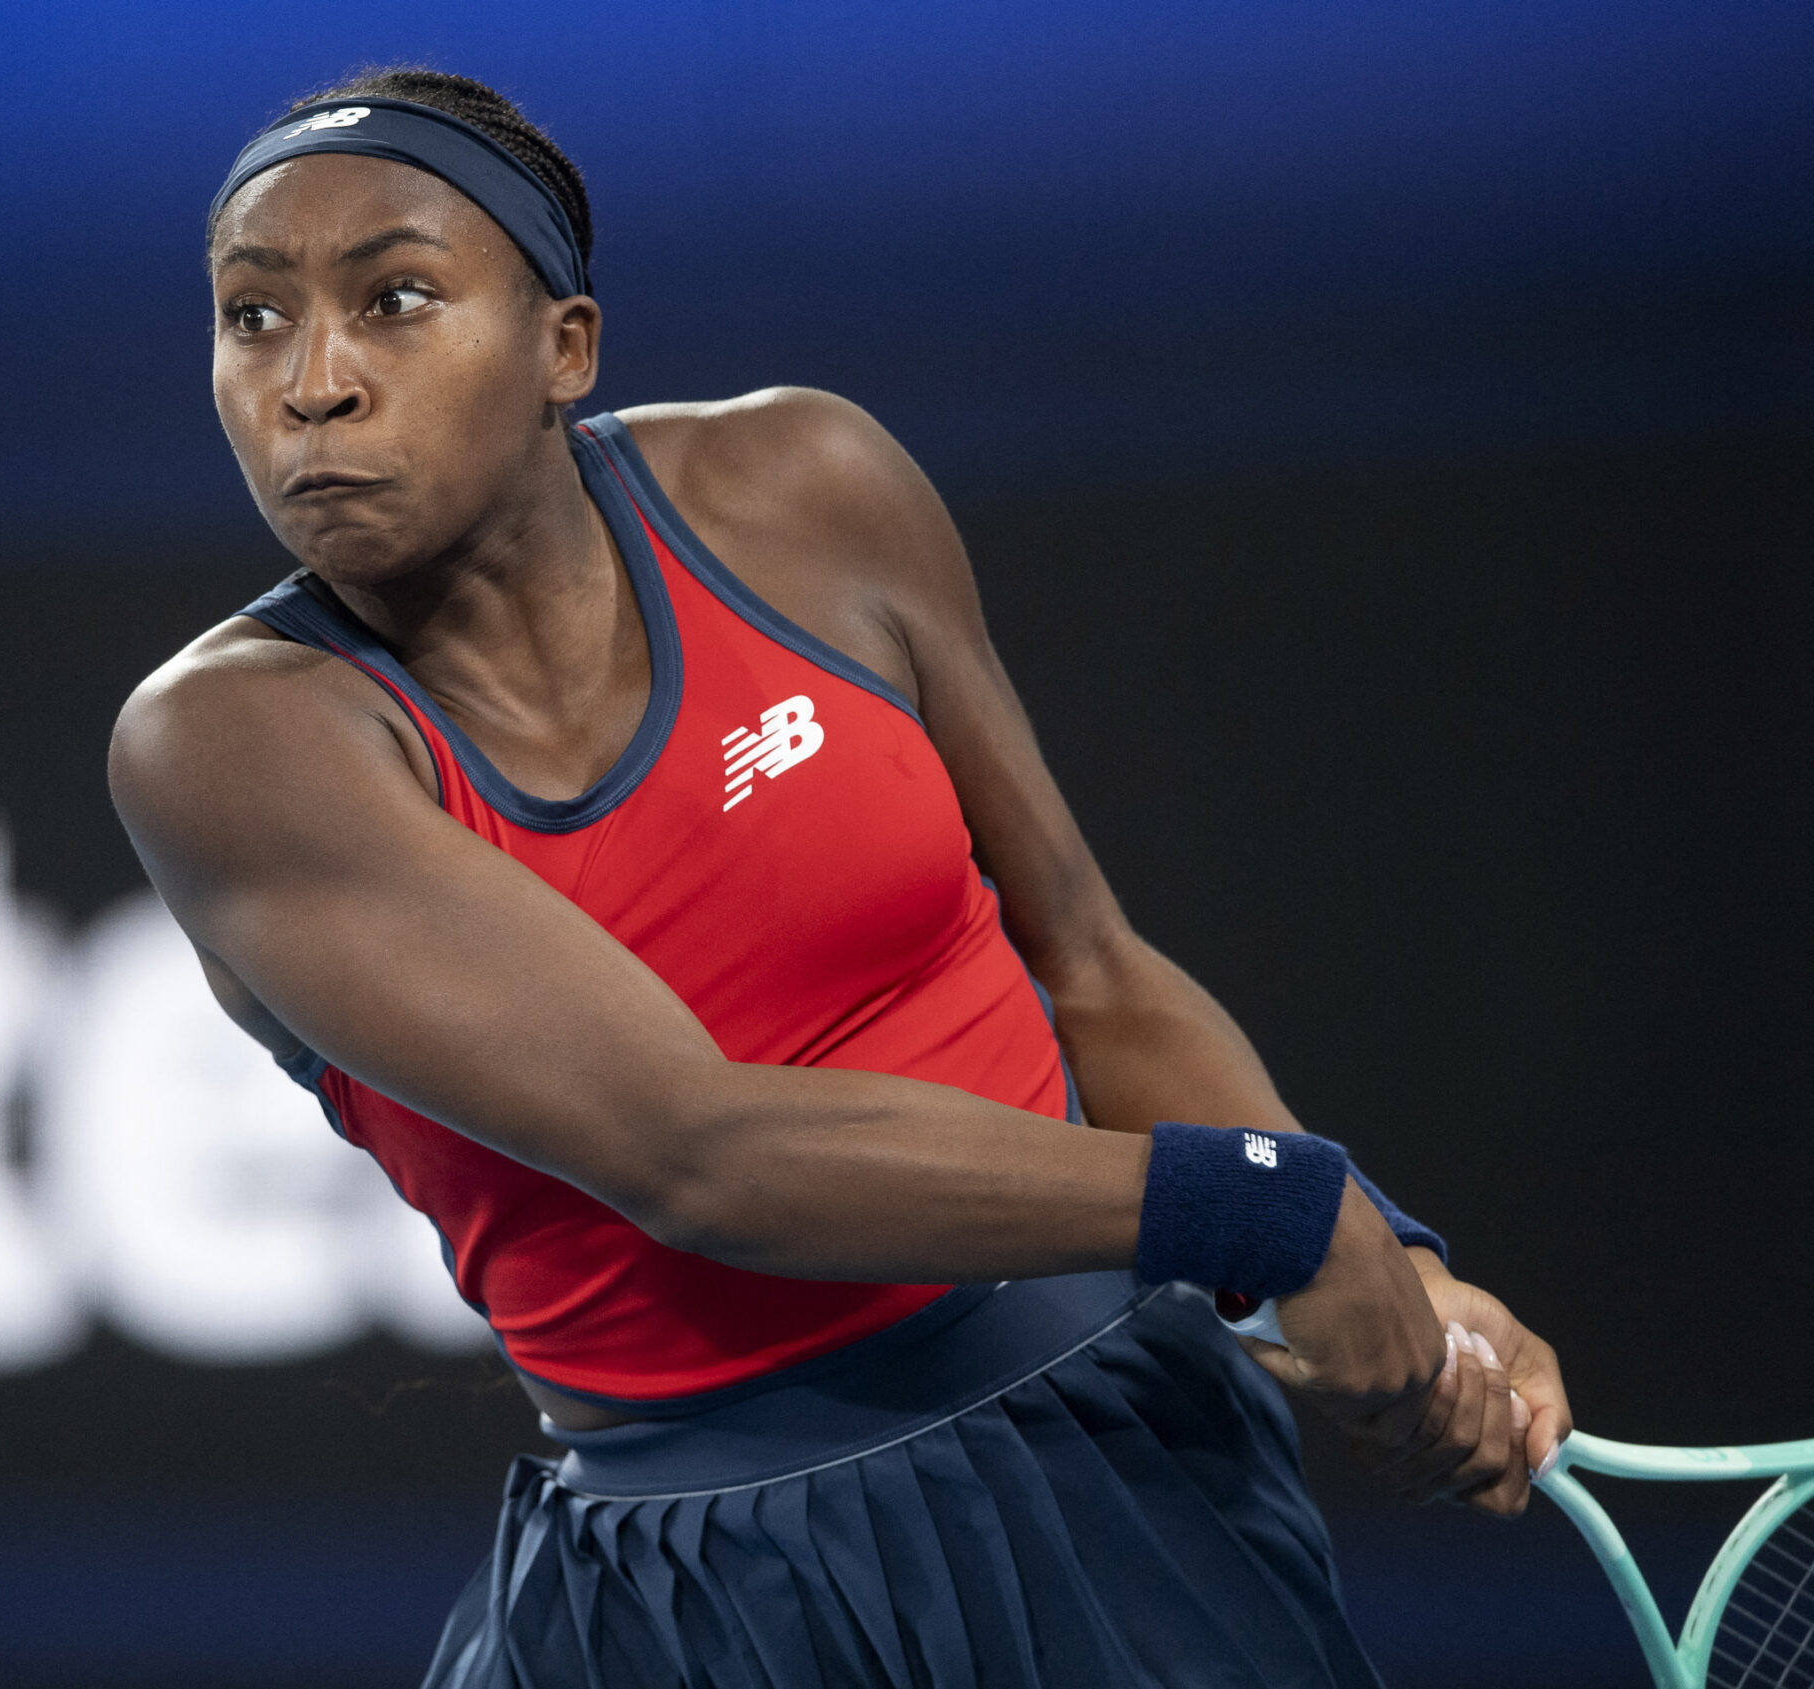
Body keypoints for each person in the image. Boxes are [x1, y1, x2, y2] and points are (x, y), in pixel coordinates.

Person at [112, 67, 1574, 1687]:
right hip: (693, 1601)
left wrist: (1395, 1259)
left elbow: (1088, 965)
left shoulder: (803, 489)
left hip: (1128, 1467)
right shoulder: (231, 745)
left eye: (396, 299)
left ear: (564, 348)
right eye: (253, 319)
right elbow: (700, 1150)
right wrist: (1270, 1208)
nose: (314, 382)